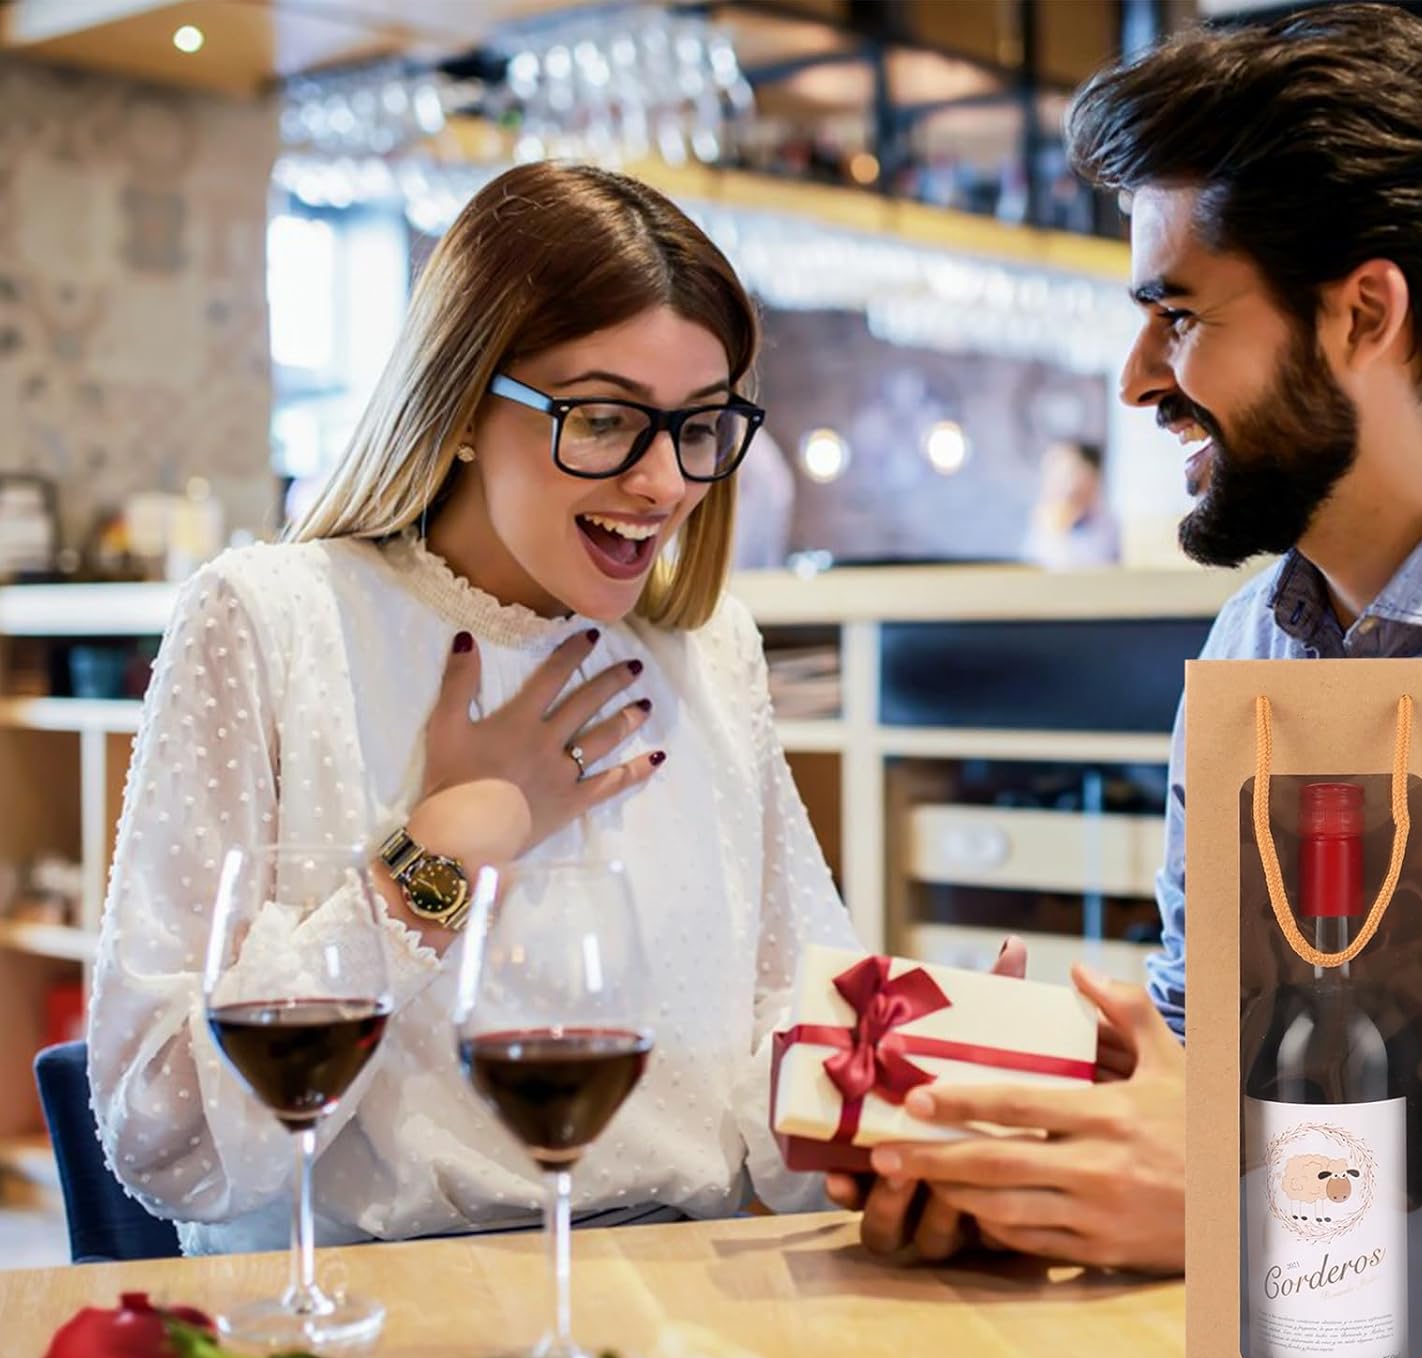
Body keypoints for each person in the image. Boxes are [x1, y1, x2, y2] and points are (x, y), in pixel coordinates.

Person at [832, 2, 1422, 1293]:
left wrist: (1257, 1213)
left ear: (1365, 314)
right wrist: (1044, 1144)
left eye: (1179, 313)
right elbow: (1231, 1117)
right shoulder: (1257, 649)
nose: (1136, 378)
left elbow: (1255, 1195)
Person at [88, 161, 858, 1255]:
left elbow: (797, 1023)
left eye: (698, 427)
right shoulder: (269, 621)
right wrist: (437, 857)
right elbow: (165, 1137)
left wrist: (920, 1070)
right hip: (370, 1307)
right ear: (459, 404)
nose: (664, 484)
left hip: (679, 1289)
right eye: (605, 419)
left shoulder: (707, 649)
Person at [1022, 441, 1119, 570]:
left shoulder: (1108, 525)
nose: (1054, 482)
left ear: (1091, 477)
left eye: (1067, 473)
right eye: (1051, 473)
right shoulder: (1043, 523)